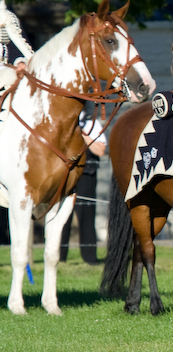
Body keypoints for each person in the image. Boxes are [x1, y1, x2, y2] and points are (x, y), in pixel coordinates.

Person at [59, 108, 106, 264]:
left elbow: (100, 150)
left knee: (86, 215)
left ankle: (90, 258)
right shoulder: (62, 120)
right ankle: (59, 257)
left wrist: (83, 133)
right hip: (66, 175)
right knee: (62, 217)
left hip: (86, 175)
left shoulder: (91, 123)